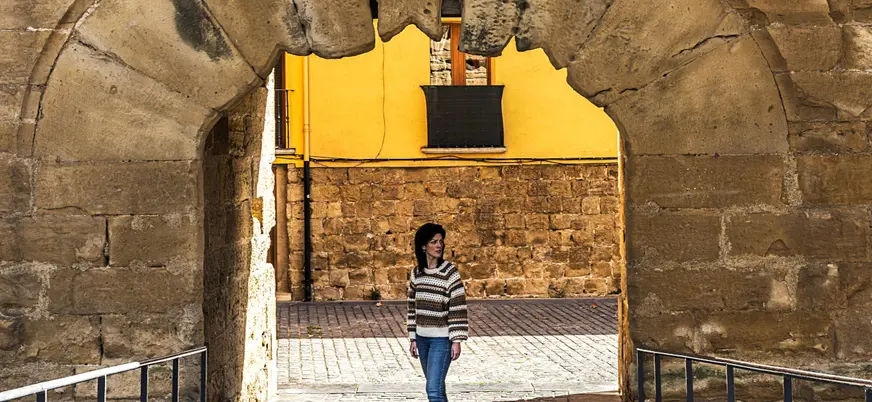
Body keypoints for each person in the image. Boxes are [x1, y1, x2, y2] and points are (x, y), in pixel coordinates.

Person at [407, 223, 468, 402]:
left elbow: (458, 308)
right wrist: (413, 337)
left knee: (433, 389)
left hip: (441, 340)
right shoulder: (417, 273)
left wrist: (456, 340)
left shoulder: (450, 273)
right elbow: (412, 307)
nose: (438, 245)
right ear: (423, 246)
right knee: (437, 388)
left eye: (441, 241)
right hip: (422, 339)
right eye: (433, 242)